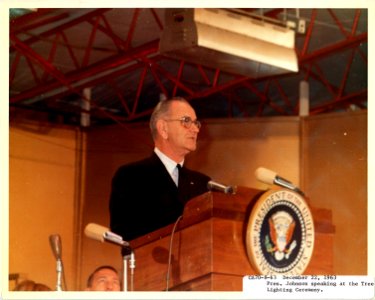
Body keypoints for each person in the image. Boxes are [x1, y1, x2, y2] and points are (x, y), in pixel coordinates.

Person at [109, 97, 211, 241]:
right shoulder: (131, 176)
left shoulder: (204, 184)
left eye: (196, 123)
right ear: (163, 128)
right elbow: (124, 232)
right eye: (186, 121)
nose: (195, 129)